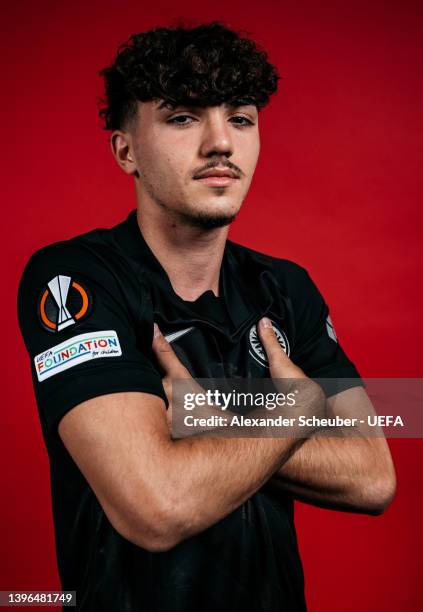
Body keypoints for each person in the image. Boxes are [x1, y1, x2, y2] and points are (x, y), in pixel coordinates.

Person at [17, 21, 396, 612]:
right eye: (183, 117)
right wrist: (293, 409)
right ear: (126, 149)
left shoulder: (286, 289)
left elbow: (374, 474)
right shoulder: (75, 278)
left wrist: (208, 412)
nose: (221, 142)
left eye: (240, 119)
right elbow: (157, 506)